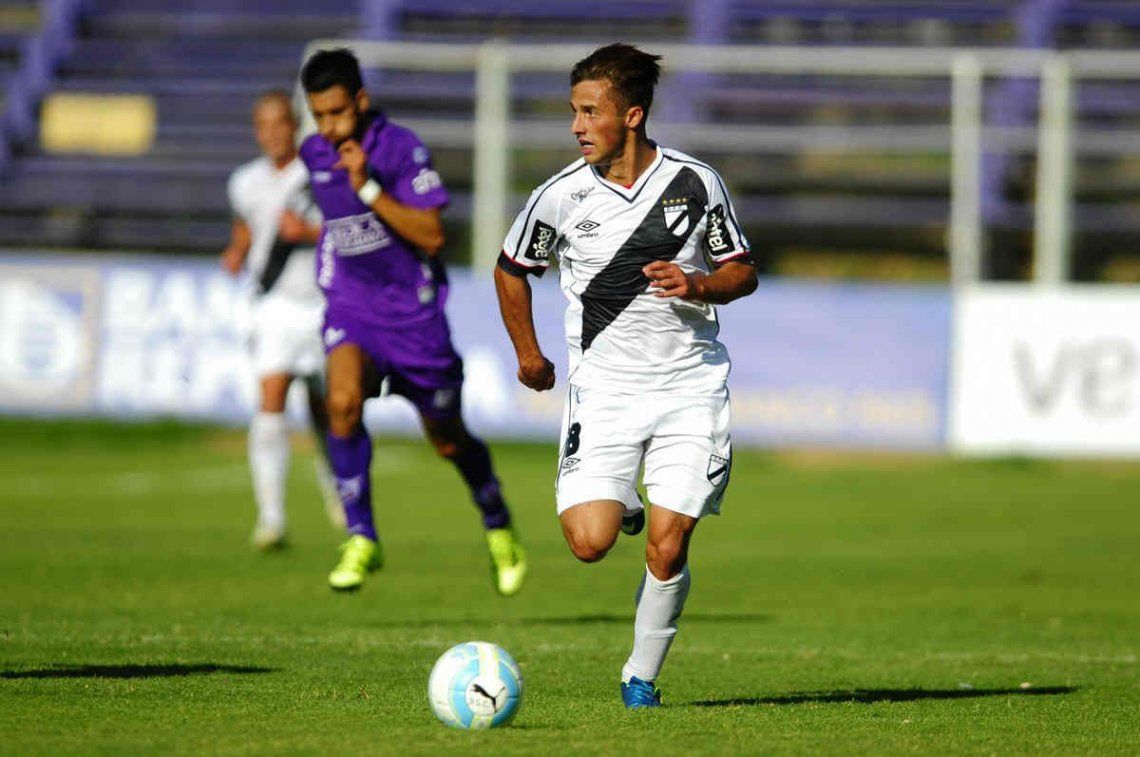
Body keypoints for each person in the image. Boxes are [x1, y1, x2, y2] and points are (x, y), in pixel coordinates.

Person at [494, 43, 757, 708]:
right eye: (573, 112)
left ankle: (640, 677)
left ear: (632, 115)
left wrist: (697, 281)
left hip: (689, 388)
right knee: (590, 542)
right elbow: (511, 268)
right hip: (604, 392)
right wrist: (528, 353)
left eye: (590, 111)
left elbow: (743, 271)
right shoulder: (559, 196)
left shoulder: (696, 184)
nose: (577, 125)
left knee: (669, 549)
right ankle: (625, 504)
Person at [298, 48, 527, 595]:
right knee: (342, 402)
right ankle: (362, 536)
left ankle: (496, 518)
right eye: (318, 116)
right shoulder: (314, 153)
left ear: (360, 100)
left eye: (337, 113)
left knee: (448, 441)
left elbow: (430, 235)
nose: (327, 128)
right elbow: (338, 225)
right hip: (352, 308)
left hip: (414, 319)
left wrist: (369, 188)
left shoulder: (401, 149)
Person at [222, 89, 342, 551]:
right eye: (264, 125)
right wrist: (235, 252)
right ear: (257, 130)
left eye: (280, 123)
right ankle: (270, 518)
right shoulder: (244, 182)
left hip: (321, 304)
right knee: (270, 397)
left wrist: (311, 232)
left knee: (325, 410)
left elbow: (354, 226)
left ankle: (335, 488)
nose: (272, 133)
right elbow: (246, 230)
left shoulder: (320, 174)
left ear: (295, 126)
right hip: (271, 305)